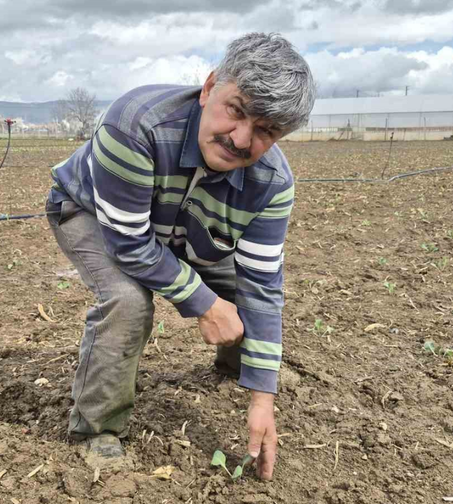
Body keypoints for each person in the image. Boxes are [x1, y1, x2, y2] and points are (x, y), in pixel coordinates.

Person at [45, 32, 315, 480]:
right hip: (95, 213)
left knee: (237, 289)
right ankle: (98, 427)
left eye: (266, 130)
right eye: (237, 110)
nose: (241, 139)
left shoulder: (272, 184)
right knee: (127, 300)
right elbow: (130, 243)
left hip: (179, 224)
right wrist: (204, 304)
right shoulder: (135, 125)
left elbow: (263, 286)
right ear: (209, 88)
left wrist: (263, 396)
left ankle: (238, 368)